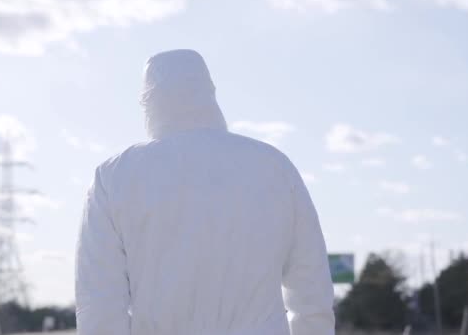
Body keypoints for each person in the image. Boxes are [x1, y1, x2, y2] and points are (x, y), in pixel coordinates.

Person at [75, 49, 335, 335]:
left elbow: (99, 304)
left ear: (150, 100)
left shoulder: (114, 177)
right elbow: (312, 292)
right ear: (208, 92)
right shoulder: (275, 166)